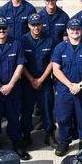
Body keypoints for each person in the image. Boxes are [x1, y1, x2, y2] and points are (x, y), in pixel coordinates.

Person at [51, 19, 82, 156]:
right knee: (63, 117)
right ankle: (64, 142)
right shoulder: (60, 47)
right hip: (64, 91)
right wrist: (70, 85)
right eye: (72, 29)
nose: (75, 31)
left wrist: (80, 85)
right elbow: (56, 69)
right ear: (67, 30)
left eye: (77, 29)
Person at [0, 18, 30, 159]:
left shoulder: (16, 44)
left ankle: (17, 143)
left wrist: (10, 85)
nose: (1, 31)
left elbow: (20, 65)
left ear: (8, 29)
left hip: (13, 89)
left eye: (4, 28)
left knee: (14, 117)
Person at [21, 13, 58, 148]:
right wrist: (32, 80)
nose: (36, 27)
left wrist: (41, 79)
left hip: (45, 81)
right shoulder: (23, 40)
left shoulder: (50, 39)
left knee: (47, 109)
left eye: (38, 25)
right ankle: (26, 135)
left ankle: (50, 135)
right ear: (29, 26)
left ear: (42, 25)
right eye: (33, 25)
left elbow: (52, 61)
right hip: (27, 81)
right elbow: (21, 64)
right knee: (26, 111)